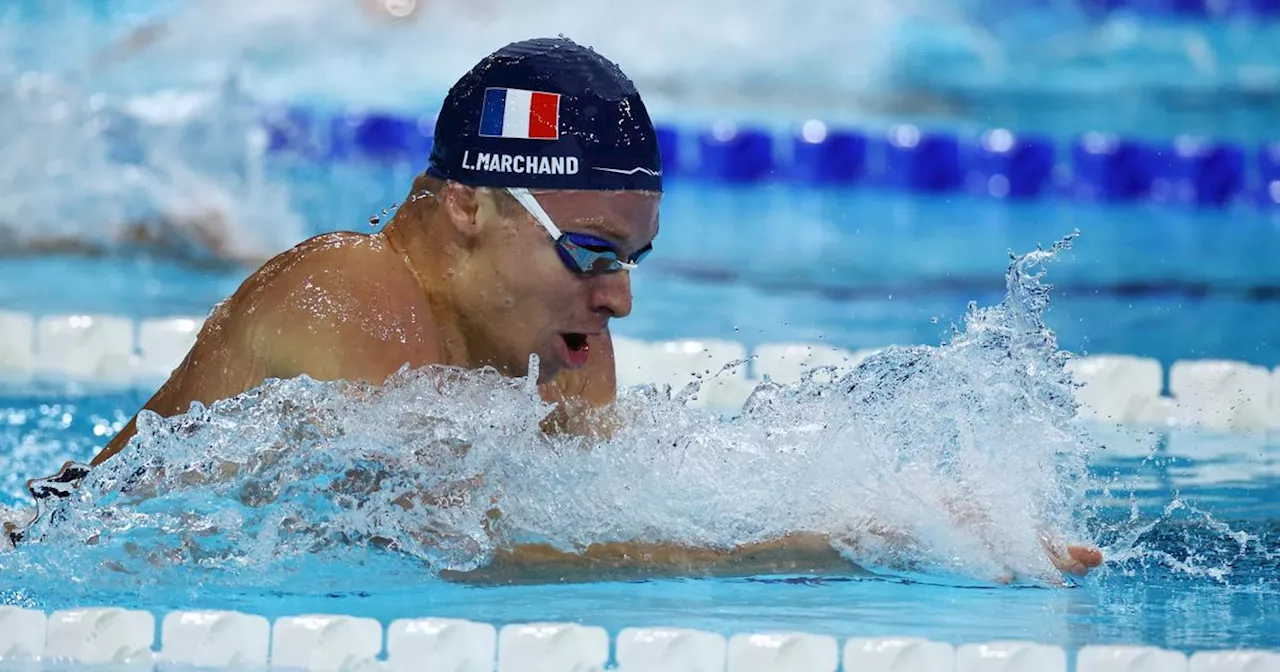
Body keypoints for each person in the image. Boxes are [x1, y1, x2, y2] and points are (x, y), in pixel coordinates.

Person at [15, 37, 1103, 583]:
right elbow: (471, 551)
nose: (619, 296)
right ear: (465, 208)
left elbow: (598, 505)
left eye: (630, 259)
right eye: (591, 251)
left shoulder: (559, 333)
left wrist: (906, 495)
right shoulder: (350, 293)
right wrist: (845, 541)